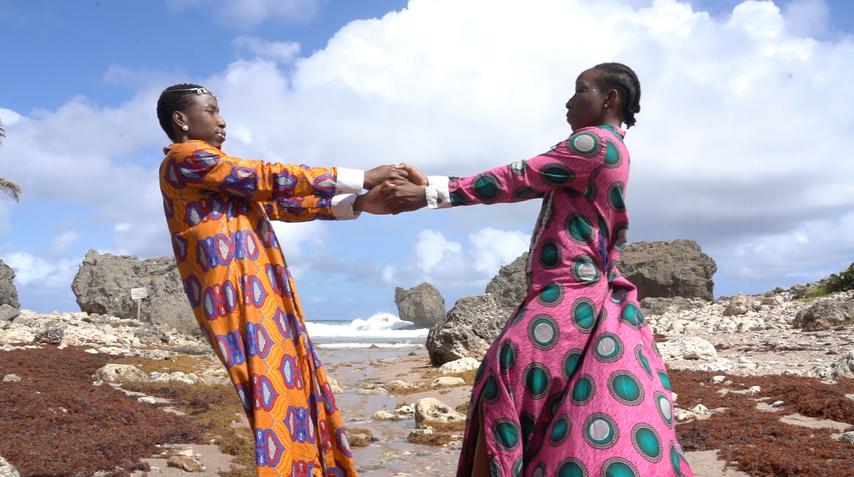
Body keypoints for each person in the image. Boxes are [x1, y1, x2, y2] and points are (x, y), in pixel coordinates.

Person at [384, 63, 695, 477]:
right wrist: (433, 187)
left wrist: (429, 194)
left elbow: (521, 176)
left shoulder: (594, 143)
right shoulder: (612, 147)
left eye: (580, 90)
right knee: (524, 391)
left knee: (503, 377)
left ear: (610, 98)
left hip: (569, 292)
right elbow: (528, 176)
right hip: (575, 292)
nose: (568, 102)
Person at [156, 84, 397, 476]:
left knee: (292, 382)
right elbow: (266, 177)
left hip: (258, 289)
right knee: (272, 390)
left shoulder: (216, 173)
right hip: (237, 294)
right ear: (181, 120)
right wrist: (360, 178)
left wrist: (359, 203)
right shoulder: (186, 158)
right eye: (211, 110)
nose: (222, 121)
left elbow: (278, 202)